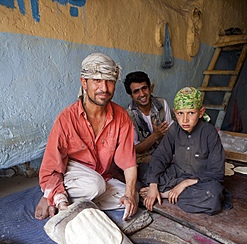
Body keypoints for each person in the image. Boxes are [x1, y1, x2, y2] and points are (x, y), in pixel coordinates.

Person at [35, 53, 138, 221]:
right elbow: (52, 166)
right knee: (94, 185)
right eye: (97, 81)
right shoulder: (67, 118)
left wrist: (130, 194)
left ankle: (59, 196)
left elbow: (128, 162)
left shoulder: (121, 117)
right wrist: (60, 202)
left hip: (99, 177)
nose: (104, 88)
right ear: (84, 82)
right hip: (74, 174)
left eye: (110, 81)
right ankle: (55, 193)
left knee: (126, 199)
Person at [141, 86, 232, 215]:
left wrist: (185, 183)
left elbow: (217, 172)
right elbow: (160, 157)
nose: (185, 120)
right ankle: (165, 191)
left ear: (201, 112)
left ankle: (165, 194)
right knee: (142, 170)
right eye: (180, 113)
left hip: (199, 181)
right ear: (174, 112)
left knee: (213, 195)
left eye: (191, 113)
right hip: (175, 176)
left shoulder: (209, 132)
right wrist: (153, 185)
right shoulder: (174, 130)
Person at [123, 71, 173, 186]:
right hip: (144, 159)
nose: (142, 94)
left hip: (165, 154)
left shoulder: (161, 104)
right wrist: (155, 135)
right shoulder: (128, 116)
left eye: (144, 88)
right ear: (131, 96)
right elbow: (135, 149)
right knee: (153, 178)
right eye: (136, 91)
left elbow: (172, 133)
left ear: (150, 89)